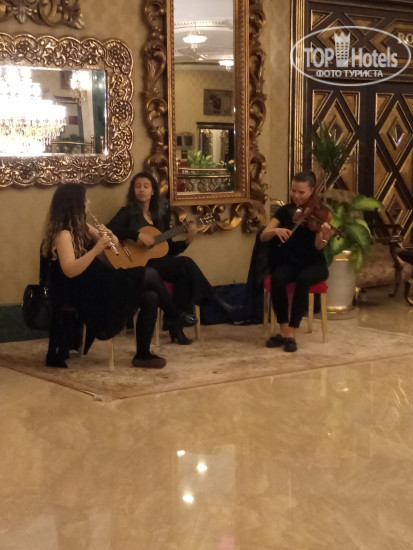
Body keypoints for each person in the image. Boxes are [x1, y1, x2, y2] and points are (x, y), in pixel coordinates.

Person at [41, 183, 197, 369]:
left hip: (97, 280)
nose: (88, 202)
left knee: (150, 297)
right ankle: (174, 315)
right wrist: (96, 250)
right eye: (85, 199)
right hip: (82, 289)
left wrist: (109, 237)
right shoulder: (64, 235)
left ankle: (143, 354)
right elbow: (70, 270)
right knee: (149, 274)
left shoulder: (82, 226)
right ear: (75, 204)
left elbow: (111, 243)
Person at [107, 171, 235, 345]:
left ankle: (174, 322)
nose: (142, 190)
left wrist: (188, 240)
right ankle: (212, 302)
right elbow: (109, 230)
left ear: (153, 191)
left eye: (146, 186)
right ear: (133, 190)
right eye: (138, 186)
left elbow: (168, 249)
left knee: (183, 276)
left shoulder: (159, 217)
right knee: (186, 265)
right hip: (137, 267)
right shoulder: (127, 212)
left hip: (157, 264)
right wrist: (137, 235)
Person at [260, 171, 333, 352]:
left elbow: (318, 246)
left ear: (312, 191)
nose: (296, 196)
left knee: (303, 279)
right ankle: (283, 330)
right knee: (277, 278)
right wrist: (275, 231)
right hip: (291, 263)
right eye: (294, 191)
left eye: (302, 192)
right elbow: (263, 236)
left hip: (314, 264)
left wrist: (324, 235)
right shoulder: (284, 211)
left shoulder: (321, 213)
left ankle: (291, 333)